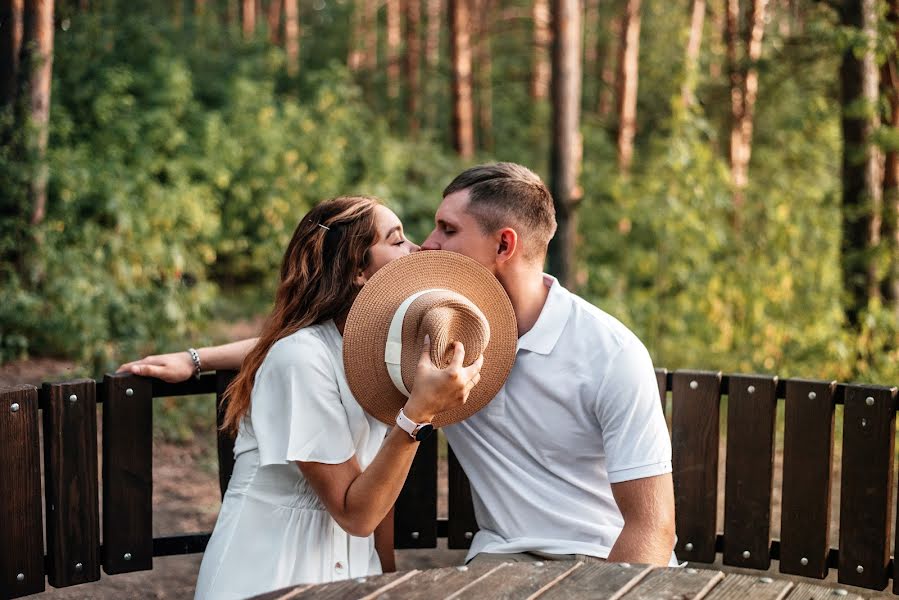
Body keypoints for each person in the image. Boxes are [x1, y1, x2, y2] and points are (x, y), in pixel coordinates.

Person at [120, 163, 676, 568]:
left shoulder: (609, 353)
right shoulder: (441, 334)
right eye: (421, 232)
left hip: (605, 565)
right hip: (500, 563)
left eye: (446, 230)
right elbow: (324, 336)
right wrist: (196, 359)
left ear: (504, 244)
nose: (427, 246)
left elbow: (652, 529)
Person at [171, 196, 484, 600]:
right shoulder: (299, 359)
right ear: (357, 269)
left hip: (353, 569)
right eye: (397, 240)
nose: (417, 249)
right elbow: (357, 514)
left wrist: (385, 579)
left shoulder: (379, 355)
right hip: (273, 569)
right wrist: (419, 413)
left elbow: (379, 481)